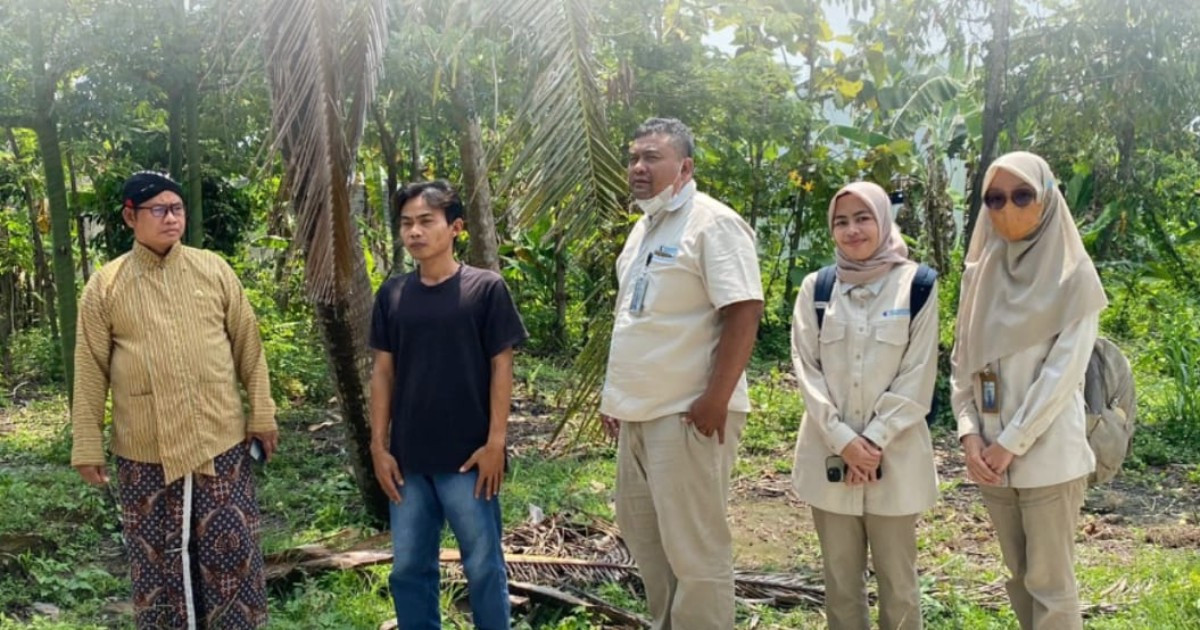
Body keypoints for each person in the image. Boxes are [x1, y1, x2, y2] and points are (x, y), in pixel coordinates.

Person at [72, 171, 278, 629]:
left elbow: (248, 344)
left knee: (232, 558)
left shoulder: (214, 269)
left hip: (219, 441)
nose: (171, 219)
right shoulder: (107, 285)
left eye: (177, 209)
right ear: (131, 215)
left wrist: (261, 413)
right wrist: (86, 441)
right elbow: (90, 368)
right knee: (158, 566)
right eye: (159, 210)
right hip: (146, 451)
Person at [599, 117, 763, 629]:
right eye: (633, 158)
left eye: (653, 157)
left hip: (689, 416)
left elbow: (744, 309)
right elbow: (638, 320)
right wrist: (615, 399)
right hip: (639, 418)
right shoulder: (643, 230)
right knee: (648, 542)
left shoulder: (712, 223)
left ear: (684, 166)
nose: (639, 167)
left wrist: (715, 398)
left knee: (696, 552)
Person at [951, 151, 1107, 630]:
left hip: (1046, 458)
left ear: (1047, 199)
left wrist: (1009, 444)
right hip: (989, 459)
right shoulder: (979, 275)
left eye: (1022, 196)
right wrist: (970, 434)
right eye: (994, 199)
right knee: (1017, 577)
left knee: (1051, 583)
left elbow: (1061, 378)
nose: (1007, 209)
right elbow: (961, 364)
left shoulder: (1073, 278)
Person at [369, 180, 527, 630]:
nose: (414, 232)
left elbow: (502, 368)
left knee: (482, 565)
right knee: (408, 569)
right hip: (408, 460)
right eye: (406, 223)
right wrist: (379, 447)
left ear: (455, 227)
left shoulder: (485, 289)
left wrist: (496, 442)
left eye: (425, 221)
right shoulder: (394, 294)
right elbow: (383, 373)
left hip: (469, 458)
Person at [790, 181, 940, 630]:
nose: (852, 230)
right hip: (828, 455)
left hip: (895, 456)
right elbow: (806, 368)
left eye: (863, 218)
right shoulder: (818, 288)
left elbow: (918, 372)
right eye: (842, 221)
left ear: (883, 220)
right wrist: (843, 439)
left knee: (899, 584)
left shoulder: (916, 285)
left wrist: (871, 441)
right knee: (840, 583)